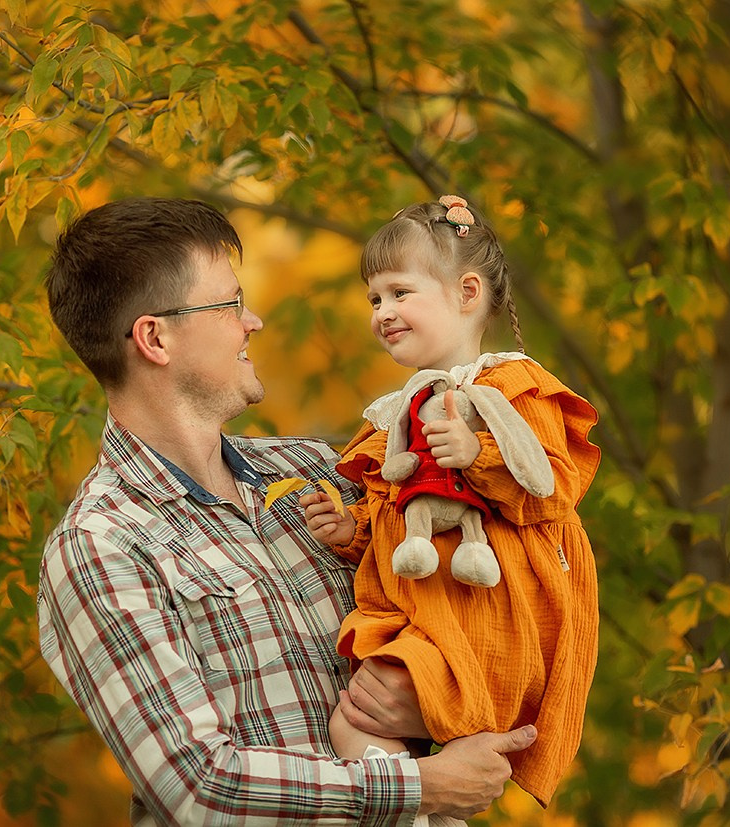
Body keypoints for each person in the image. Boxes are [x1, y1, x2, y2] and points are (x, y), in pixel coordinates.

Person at [36, 196, 538, 826]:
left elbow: (481, 596)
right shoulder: (101, 546)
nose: (254, 321)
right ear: (155, 337)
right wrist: (416, 785)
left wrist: (442, 696)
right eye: (228, 304)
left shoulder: (314, 470)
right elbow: (198, 787)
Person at [300, 196, 600, 807]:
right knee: (354, 724)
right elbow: (399, 514)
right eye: (374, 299)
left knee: (361, 716)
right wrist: (349, 529)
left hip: (491, 614)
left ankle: (422, 796)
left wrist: (478, 454)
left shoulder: (514, 388)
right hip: (426, 615)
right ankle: (428, 813)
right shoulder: (395, 417)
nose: (383, 311)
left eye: (399, 292)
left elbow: (553, 488)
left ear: (467, 293)